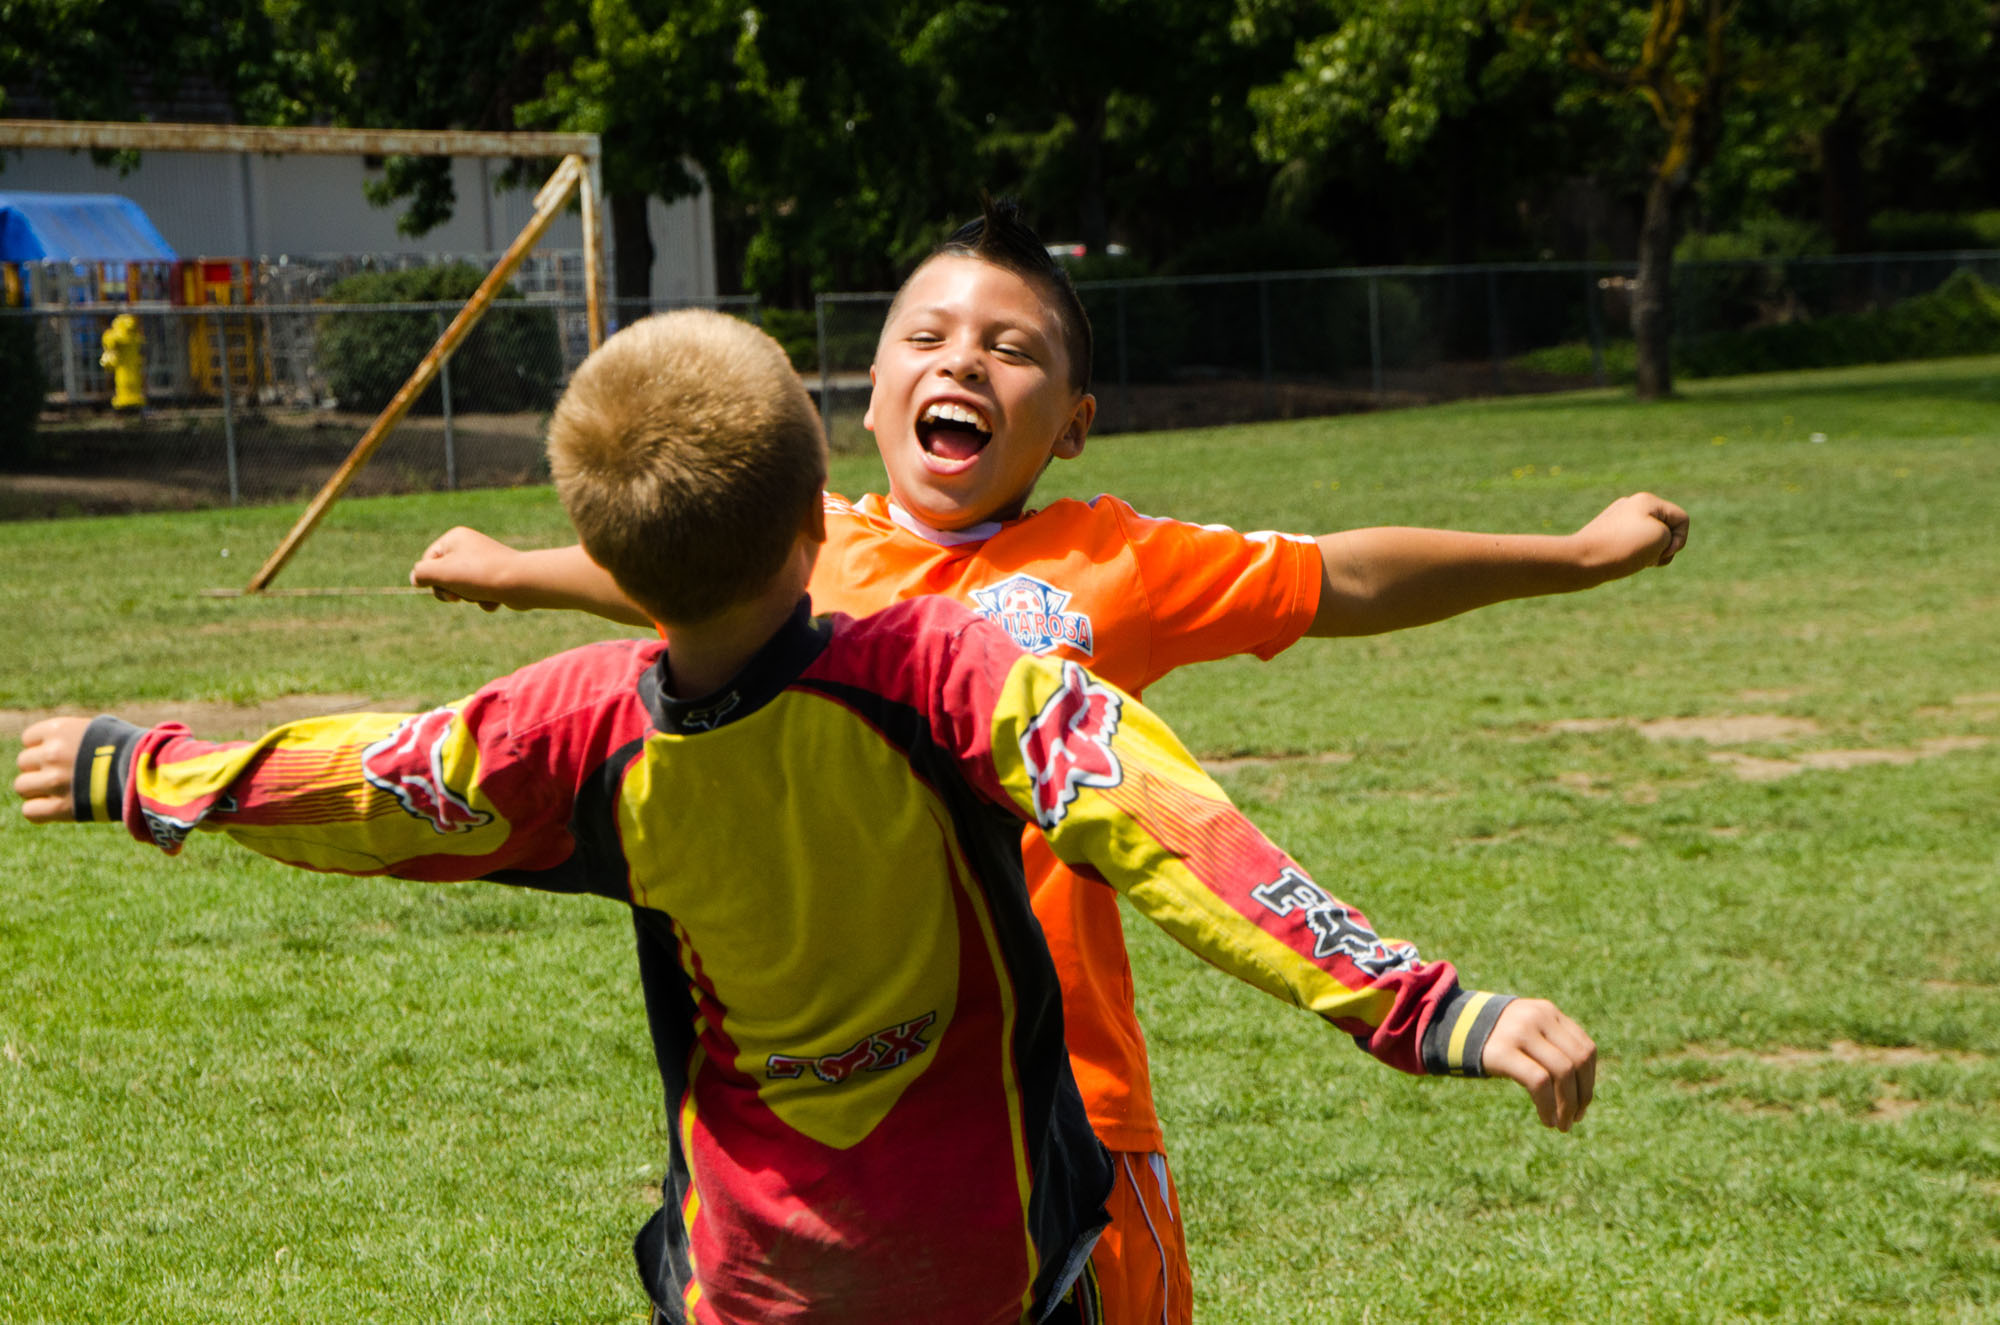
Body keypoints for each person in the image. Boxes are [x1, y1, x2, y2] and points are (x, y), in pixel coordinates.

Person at [17, 309, 1593, 1325]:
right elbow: (1185, 843)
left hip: (749, 1285)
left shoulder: (575, 725)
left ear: (612, 553)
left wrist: (134, 766)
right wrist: (1431, 1006)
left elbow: (366, 781)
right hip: (982, 1269)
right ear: (813, 519)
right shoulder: (952, 677)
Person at [407, 207, 1659, 1323]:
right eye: (927, 336)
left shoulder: (1115, 564)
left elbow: (1348, 573)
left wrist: (1572, 553)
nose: (963, 358)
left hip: (1080, 1105)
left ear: (1071, 425)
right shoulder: (801, 546)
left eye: (1011, 348)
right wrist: (514, 571)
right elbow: (670, 555)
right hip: (858, 1123)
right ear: (865, 392)